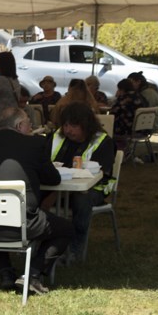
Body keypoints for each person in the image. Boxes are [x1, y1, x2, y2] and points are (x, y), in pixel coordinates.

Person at [0, 107, 73, 294]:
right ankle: (33, 274)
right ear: (20, 125)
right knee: (66, 228)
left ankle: (5, 272)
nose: (32, 127)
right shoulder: (35, 145)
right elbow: (53, 179)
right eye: (29, 123)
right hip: (23, 225)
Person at [49, 102, 116, 259]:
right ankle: (42, 240)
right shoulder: (56, 138)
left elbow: (101, 172)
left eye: (73, 126)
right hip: (57, 186)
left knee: (82, 198)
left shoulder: (103, 142)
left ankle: (75, 247)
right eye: (65, 125)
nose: (68, 130)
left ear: (86, 125)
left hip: (93, 189)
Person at [109, 78, 142, 151]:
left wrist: (117, 97)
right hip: (139, 128)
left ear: (122, 89)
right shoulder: (139, 96)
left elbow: (112, 113)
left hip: (124, 129)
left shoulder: (123, 98)